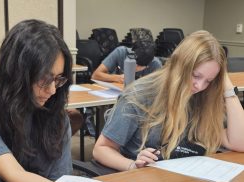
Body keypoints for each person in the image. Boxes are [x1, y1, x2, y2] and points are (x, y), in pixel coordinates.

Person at [0, 19, 126, 182]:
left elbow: (60, 179)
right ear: (16, 72)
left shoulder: (55, 113)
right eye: (44, 79)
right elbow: (15, 176)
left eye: (58, 79)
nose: (53, 90)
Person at [92, 30, 244, 172]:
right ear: (179, 66)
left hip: (189, 181)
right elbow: (101, 149)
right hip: (148, 181)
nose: (200, 86)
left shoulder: (204, 97)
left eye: (209, 80)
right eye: (196, 76)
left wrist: (227, 86)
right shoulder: (140, 95)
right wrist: (132, 165)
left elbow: (239, 142)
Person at [92, 40, 162, 83]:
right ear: (132, 52)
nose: (135, 68)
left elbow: (159, 89)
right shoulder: (120, 52)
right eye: (135, 63)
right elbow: (95, 75)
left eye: (140, 67)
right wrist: (116, 78)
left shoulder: (156, 64)